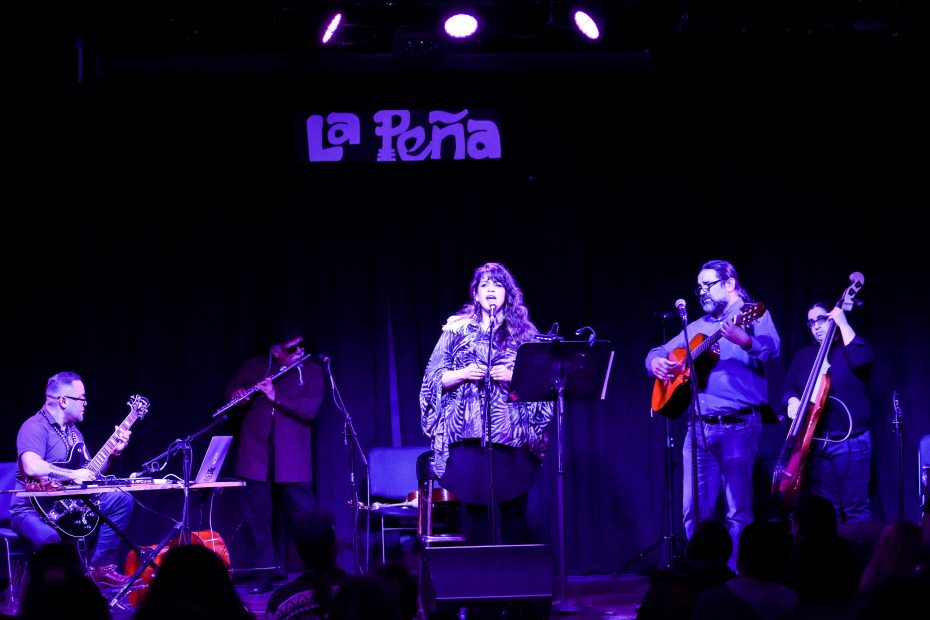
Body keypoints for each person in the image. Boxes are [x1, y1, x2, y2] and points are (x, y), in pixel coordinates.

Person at [646, 259, 780, 571]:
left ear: (730, 284)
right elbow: (657, 352)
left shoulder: (752, 314)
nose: (702, 292)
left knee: (738, 511)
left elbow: (772, 348)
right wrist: (655, 363)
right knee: (694, 510)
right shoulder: (697, 327)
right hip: (697, 430)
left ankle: (736, 578)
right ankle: (699, 576)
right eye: (700, 286)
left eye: (709, 284)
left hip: (738, 427)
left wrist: (745, 340)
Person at [419, 261, 554, 545]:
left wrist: (514, 376)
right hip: (466, 438)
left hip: (512, 438)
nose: (491, 290)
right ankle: (478, 582)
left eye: (497, 284)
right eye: (484, 285)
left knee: (514, 514)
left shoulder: (525, 335)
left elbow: (545, 384)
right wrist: (462, 374)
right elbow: (433, 380)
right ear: (475, 294)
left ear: (508, 293)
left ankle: (517, 583)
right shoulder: (456, 331)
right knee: (474, 517)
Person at [225, 325, 326, 594]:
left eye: (302, 345)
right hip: (255, 454)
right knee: (256, 518)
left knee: (305, 517)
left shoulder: (313, 370)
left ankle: (317, 573)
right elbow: (233, 391)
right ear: (276, 351)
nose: (300, 351)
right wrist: (237, 397)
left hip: (292, 456)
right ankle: (263, 575)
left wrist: (275, 395)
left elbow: (310, 410)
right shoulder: (255, 365)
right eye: (292, 348)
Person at [10, 371, 134, 589]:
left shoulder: (75, 433)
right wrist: (73, 475)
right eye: (82, 398)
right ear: (64, 401)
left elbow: (88, 474)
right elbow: (32, 466)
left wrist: (114, 453)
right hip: (29, 511)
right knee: (53, 543)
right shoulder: (34, 427)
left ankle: (101, 569)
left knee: (121, 500)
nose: (86, 403)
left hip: (68, 505)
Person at [781, 301, 873, 523]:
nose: (816, 326)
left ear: (833, 317)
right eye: (811, 323)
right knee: (826, 511)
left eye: (821, 319)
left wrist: (843, 323)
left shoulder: (848, 347)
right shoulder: (804, 355)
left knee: (855, 508)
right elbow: (788, 387)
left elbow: (862, 360)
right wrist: (792, 401)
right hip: (816, 443)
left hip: (851, 440)